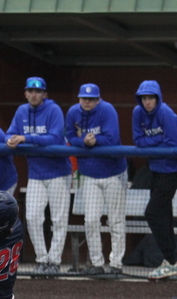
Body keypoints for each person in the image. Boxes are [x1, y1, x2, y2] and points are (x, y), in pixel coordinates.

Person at [6, 77, 72, 276]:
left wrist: (26, 138)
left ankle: (54, 261)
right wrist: (9, 139)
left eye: (38, 91)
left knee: (58, 219)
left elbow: (55, 138)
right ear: (26, 93)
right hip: (35, 173)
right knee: (32, 217)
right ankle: (42, 259)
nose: (34, 95)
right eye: (30, 91)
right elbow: (9, 133)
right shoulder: (21, 111)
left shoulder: (54, 110)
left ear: (44, 94)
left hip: (58, 172)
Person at [65, 84, 128, 275]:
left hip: (114, 173)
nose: (87, 102)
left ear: (98, 99)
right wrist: (83, 141)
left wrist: (92, 140)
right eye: (84, 98)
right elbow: (69, 136)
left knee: (116, 221)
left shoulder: (107, 110)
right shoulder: (73, 112)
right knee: (91, 220)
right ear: (79, 98)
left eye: (91, 99)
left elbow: (112, 139)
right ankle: (96, 263)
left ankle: (116, 264)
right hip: (90, 175)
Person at [132, 80, 177, 280]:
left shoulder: (166, 113)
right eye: (144, 98)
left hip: (173, 169)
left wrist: (153, 144)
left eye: (151, 98)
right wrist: (159, 140)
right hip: (155, 168)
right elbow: (138, 141)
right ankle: (170, 262)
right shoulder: (137, 113)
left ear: (158, 98)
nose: (148, 102)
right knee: (163, 214)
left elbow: (173, 142)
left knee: (152, 213)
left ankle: (171, 260)